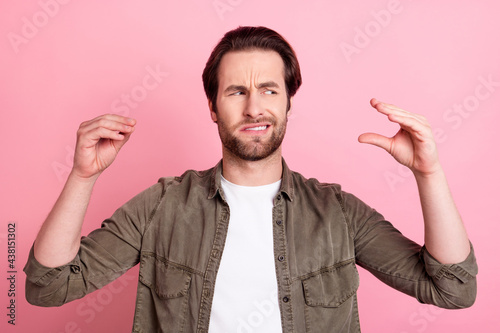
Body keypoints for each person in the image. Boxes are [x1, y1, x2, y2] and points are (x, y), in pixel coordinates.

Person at [24, 26, 477, 333]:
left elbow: (453, 289)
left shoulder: (338, 212)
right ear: (213, 106)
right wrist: (83, 176)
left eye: (269, 90)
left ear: (288, 105)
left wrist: (429, 173)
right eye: (236, 91)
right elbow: (48, 287)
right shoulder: (163, 205)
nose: (254, 107)